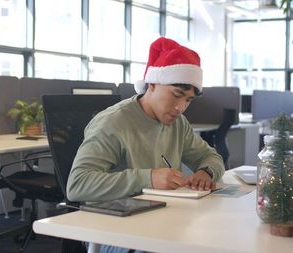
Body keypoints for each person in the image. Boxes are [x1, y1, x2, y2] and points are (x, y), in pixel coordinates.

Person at [67, 37, 225, 203]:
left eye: (188, 100)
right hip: (114, 217)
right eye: (177, 94)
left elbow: (210, 157)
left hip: (159, 213)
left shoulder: (178, 123)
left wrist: (206, 172)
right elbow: (77, 185)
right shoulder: (113, 123)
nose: (181, 107)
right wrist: (148, 179)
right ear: (152, 85)